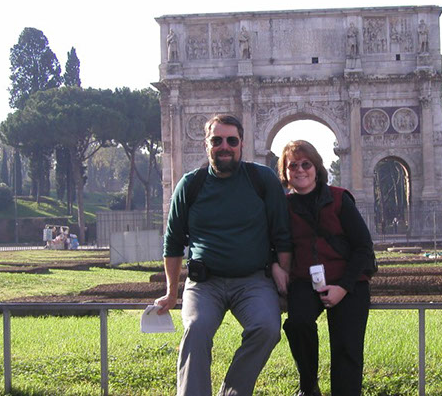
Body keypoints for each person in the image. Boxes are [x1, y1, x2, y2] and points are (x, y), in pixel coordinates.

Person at [155, 114, 292, 396]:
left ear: (242, 144)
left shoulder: (262, 179)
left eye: (231, 140)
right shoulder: (189, 184)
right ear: (206, 145)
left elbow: (282, 233)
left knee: (267, 329)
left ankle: (231, 393)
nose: (224, 146)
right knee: (196, 329)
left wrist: (283, 274)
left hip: (253, 280)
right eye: (217, 140)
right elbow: (173, 242)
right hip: (204, 283)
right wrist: (171, 291)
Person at [278, 140, 373, 396]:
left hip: (349, 281)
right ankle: (309, 386)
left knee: (347, 349)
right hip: (305, 281)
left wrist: (343, 287)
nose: (300, 170)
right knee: (297, 324)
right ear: (285, 172)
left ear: (316, 167)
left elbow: (363, 247)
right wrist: (274, 266)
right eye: (292, 165)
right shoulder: (282, 206)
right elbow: (272, 242)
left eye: (306, 164)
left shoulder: (340, 198)